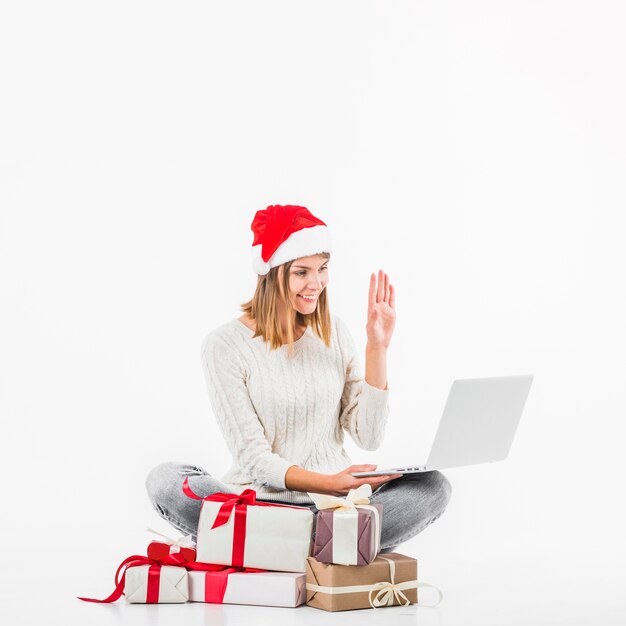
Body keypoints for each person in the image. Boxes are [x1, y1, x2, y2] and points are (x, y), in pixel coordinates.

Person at [145, 204, 451, 552]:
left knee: (433, 486)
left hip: (336, 509)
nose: (316, 283)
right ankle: (329, 547)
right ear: (272, 274)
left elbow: (369, 436)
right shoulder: (224, 346)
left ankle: (282, 548)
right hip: (260, 505)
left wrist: (377, 348)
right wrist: (328, 482)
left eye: (322, 269)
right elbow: (255, 460)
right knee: (166, 481)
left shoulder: (335, 332)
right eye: (301, 272)